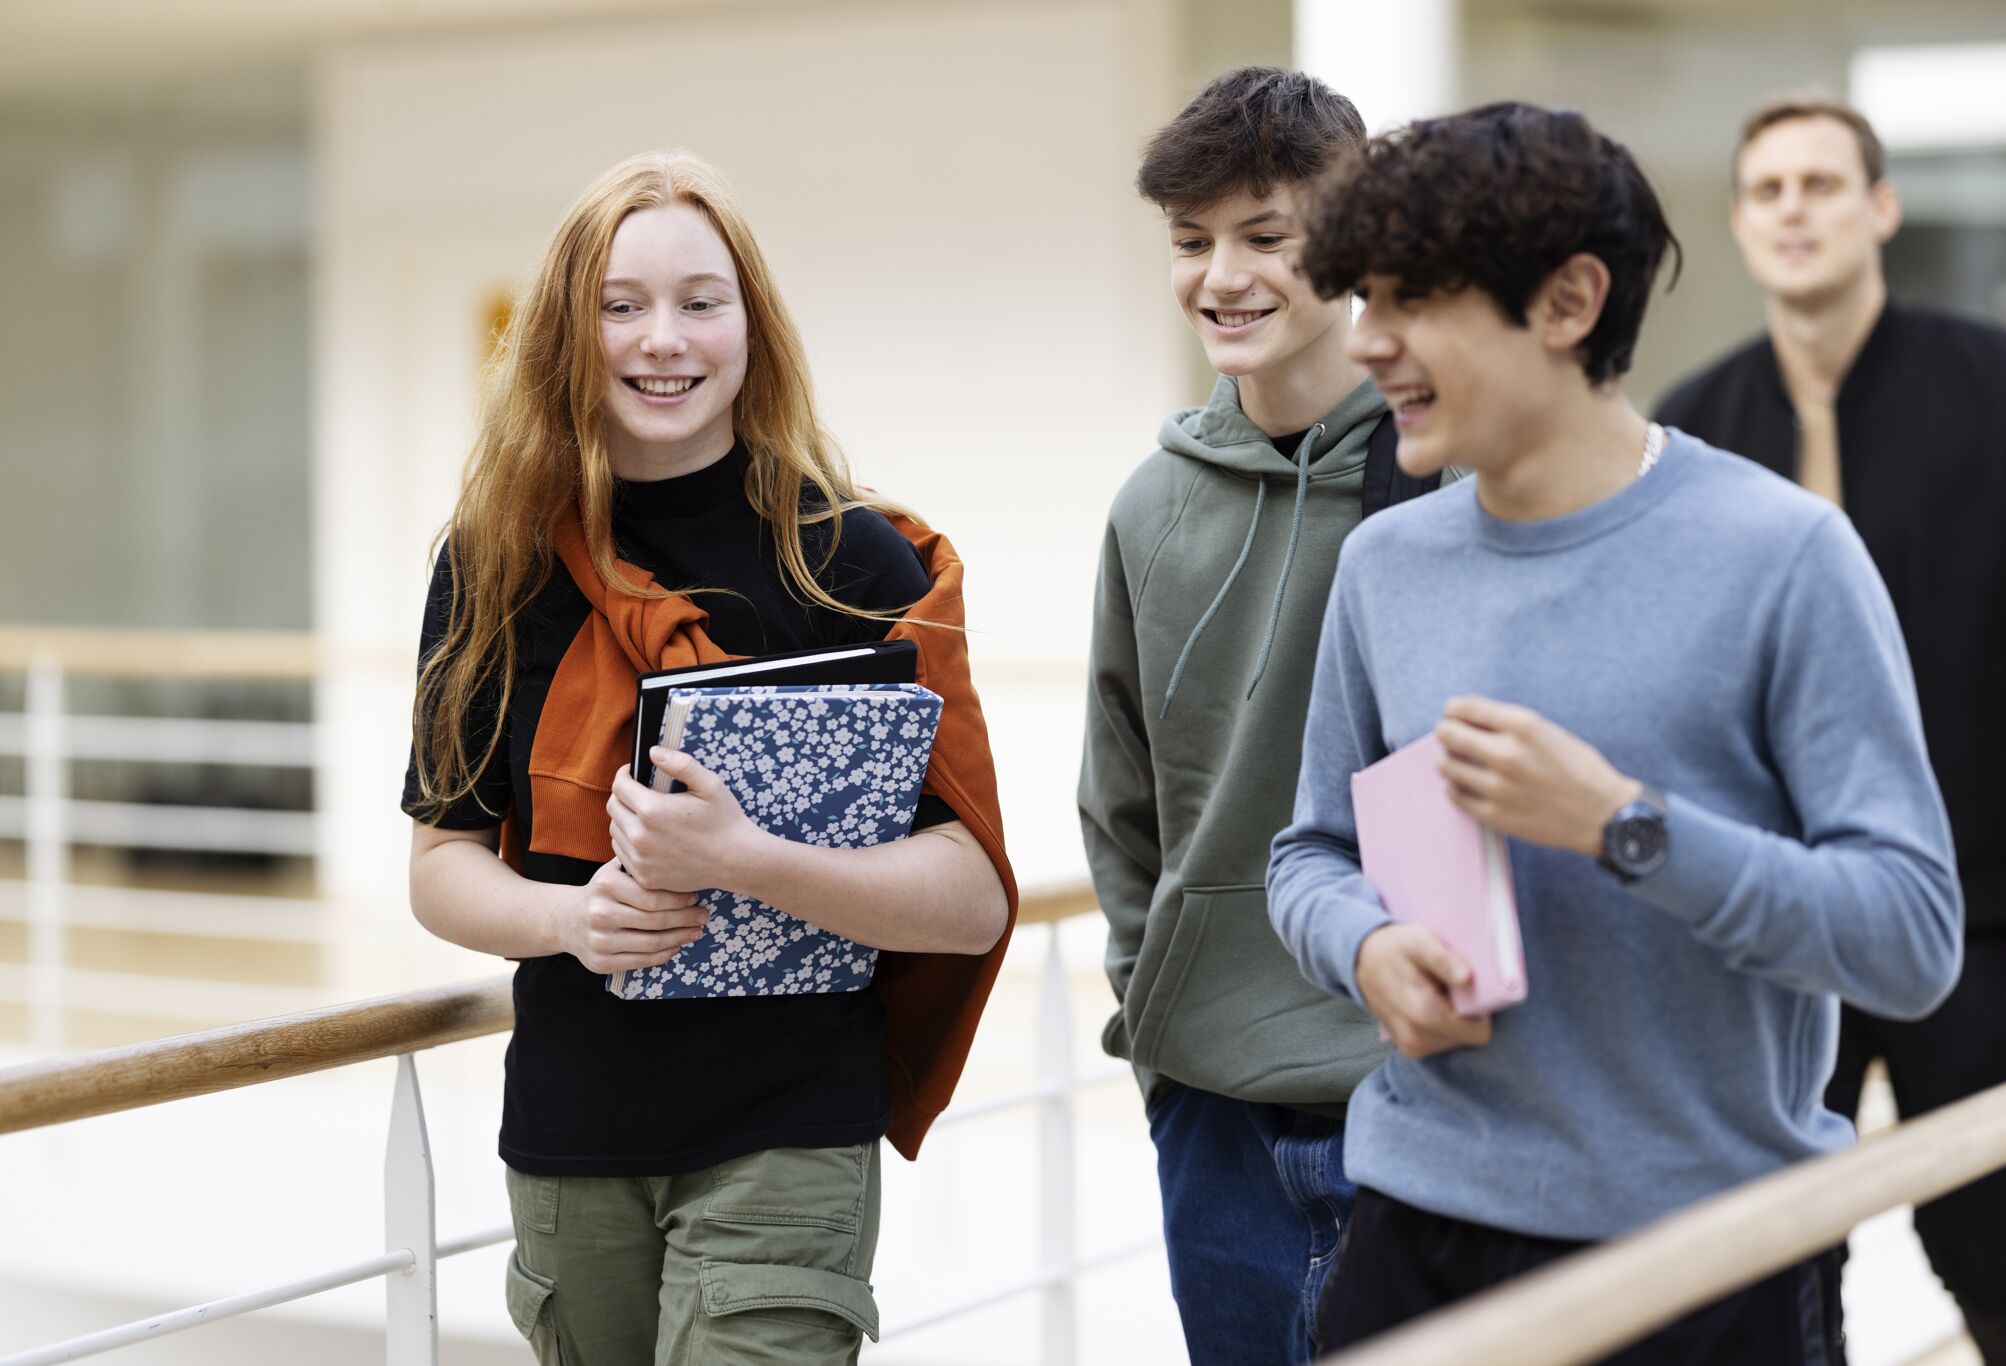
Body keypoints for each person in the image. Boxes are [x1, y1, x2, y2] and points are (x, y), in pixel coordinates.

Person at [1267, 102, 1962, 1363]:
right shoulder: (1382, 563)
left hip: (1710, 1255)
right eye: (1361, 297)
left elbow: (1910, 938)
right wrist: (1361, 949)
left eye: (1409, 298)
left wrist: (1620, 827)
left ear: (1569, 299)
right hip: (1413, 1229)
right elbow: (1306, 852)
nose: (1365, 343)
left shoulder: (1785, 555)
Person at [402, 150, 1015, 1365]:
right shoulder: (493, 564)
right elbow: (440, 862)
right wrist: (566, 922)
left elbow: (970, 898)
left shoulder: (851, 562)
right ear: (568, 336)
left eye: (700, 300)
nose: (661, 339)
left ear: (752, 325)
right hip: (572, 1139)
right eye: (619, 306)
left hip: (787, 1126)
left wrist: (744, 857)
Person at [1656, 96, 2006, 1364]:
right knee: (1764, 1272)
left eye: (1821, 185)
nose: (1792, 211)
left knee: (2003, 1259)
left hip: (1979, 918)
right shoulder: (1690, 427)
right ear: (1736, 221)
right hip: (1767, 941)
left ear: (1879, 208)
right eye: (1765, 191)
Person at [1077, 66, 1442, 1366]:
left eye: (1264, 236)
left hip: (1414, 1083)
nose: (1221, 275)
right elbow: (1119, 800)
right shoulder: (1148, 506)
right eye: (1190, 241)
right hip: (1211, 1102)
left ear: (1342, 242)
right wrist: (1156, 1022)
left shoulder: (1442, 475)